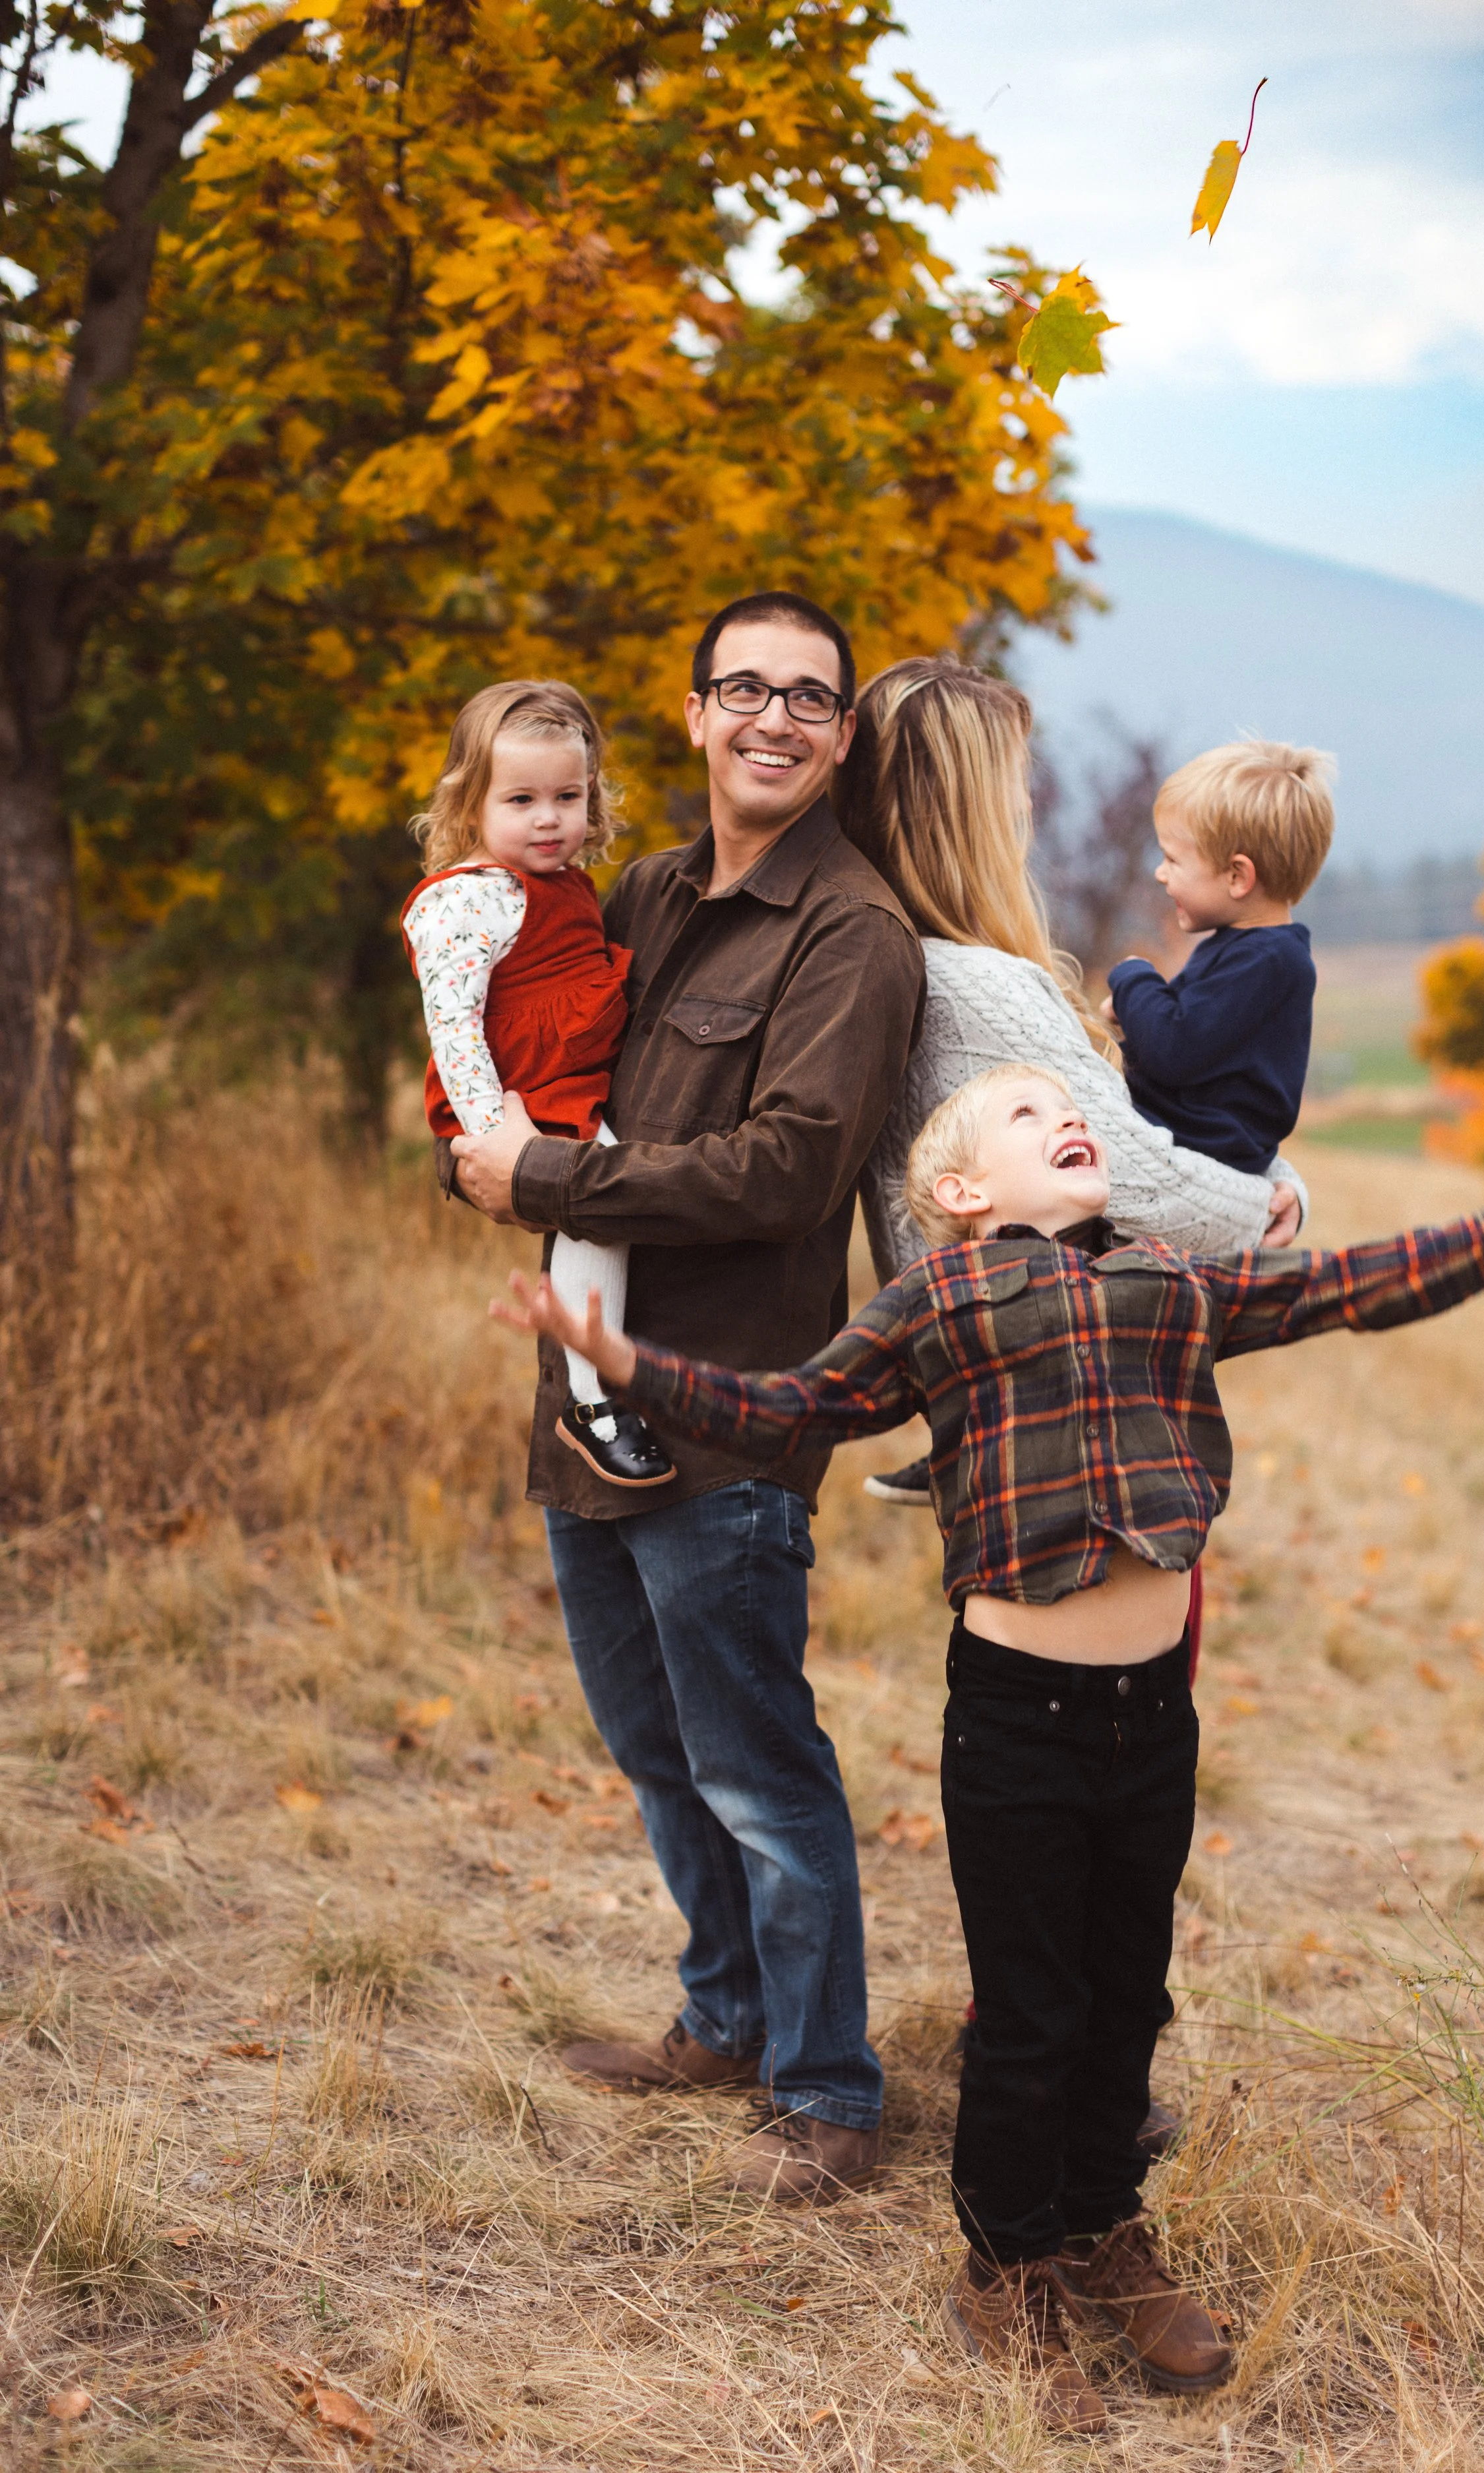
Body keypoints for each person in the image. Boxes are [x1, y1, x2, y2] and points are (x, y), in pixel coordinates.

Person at [491, 1062, 1484, 2435]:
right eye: (1026, 1117)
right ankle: (1006, 2264)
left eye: (1068, 1109)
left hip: (1149, 1718)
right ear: (961, 1196)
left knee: (1125, 1994)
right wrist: (627, 1365)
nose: (1066, 1119)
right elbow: (796, 1411)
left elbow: (1363, 1281)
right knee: (1028, 2016)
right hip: (1015, 1724)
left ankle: (1099, 2229)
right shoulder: (940, 1302)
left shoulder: (1173, 1280)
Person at [445, 592, 926, 2204]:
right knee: (653, 1744)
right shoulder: (634, 887)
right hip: (582, 1402)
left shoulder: (848, 932)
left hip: (725, 1419)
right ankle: (723, 2017)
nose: (773, 717)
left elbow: (789, 1170)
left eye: (808, 697)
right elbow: (532, 1051)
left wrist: (554, 1170)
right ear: (698, 710)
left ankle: (827, 2085)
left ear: (840, 733)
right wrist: (481, 1134)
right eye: (745, 688)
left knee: (755, 1761)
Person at [834, 657, 1309, 1511]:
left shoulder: (889, 955)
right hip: (1078, 1416)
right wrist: (1272, 1201)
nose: (1026, 806)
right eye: (1016, 780)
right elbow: (1152, 1187)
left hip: (997, 1404)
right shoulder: (982, 985)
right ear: (968, 805)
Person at [401, 679, 672, 1488]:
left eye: (568, 796)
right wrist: (495, 1139)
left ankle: (599, 1387)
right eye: (521, 799)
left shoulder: (566, 889)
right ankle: (592, 1401)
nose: (549, 818)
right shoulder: (466, 899)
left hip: (564, 1079)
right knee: (600, 1207)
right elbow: (453, 1026)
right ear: (471, 806)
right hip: (521, 1095)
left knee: (605, 1205)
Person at [1104, 739, 1334, 1176]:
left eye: (1173, 859)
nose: (1160, 873)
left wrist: (1132, 979)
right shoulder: (1252, 951)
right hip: (1195, 1129)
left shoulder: (1266, 961)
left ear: (1237, 876)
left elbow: (1173, 1048)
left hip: (1201, 1140)